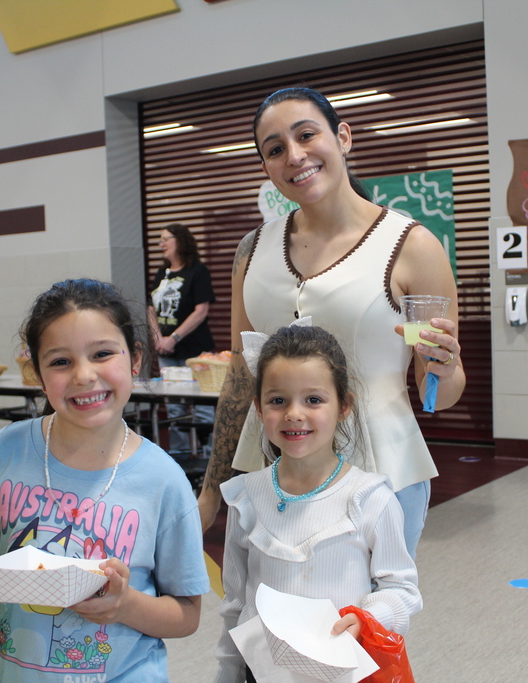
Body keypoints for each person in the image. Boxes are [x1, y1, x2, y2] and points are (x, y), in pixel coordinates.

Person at [198, 87, 466, 557]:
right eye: (275, 149)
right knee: (270, 617)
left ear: (342, 137)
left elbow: (436, 395)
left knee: (364, 622)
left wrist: (442, 368)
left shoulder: (412, 246)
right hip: (273, 471)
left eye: (307, 135)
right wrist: (210, 490)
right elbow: (242, 376)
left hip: (381, 473)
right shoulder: (251, 251)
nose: (295, 156)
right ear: (265, 167)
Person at [0, 278, 210, 682]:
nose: (84, 375)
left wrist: (124, 605)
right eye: (60, 361)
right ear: (36, 373)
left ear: (135, 358)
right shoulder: (3, 453)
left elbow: (188, 614)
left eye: (103, 353)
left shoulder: (163, 480)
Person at [214, 324, 420, 682]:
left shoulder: (370, 499)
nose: (294, 414)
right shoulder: (246, 495)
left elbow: (402, 591)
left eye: (313, 399)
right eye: (278, 400)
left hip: (338, 671)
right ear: (259, 409)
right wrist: (227, 673)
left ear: (344, 406)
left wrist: (367, 616)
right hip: (261, 673)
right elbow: (235, 603)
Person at [147, 222, 217, 456]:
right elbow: (151, 308)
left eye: (166, 238)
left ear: (181, 241)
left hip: (195, 350)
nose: (161, 244)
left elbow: (201, 310)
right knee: (173, 406)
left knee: (203, 408)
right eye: (159, 239)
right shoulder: (161, 273)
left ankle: (208, 455)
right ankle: (181, 454)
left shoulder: (197, 271)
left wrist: (173, 337)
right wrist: (158, 337)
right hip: (166, 352)